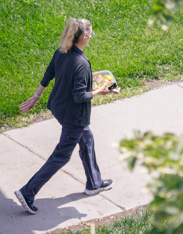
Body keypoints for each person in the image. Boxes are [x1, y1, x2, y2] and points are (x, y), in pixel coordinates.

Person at [14, 18, 113, 215]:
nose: (91, 38)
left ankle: (94, 182)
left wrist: (36, 96)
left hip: (59, 107)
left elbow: (49, 73)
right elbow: (79, 96)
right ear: (84, 37)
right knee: (61, 155)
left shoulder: (62, 51)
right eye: (91, 35)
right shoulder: (82, 63)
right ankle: (27, 192)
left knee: (87, 139)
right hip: (73, 116)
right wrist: (100, 91)